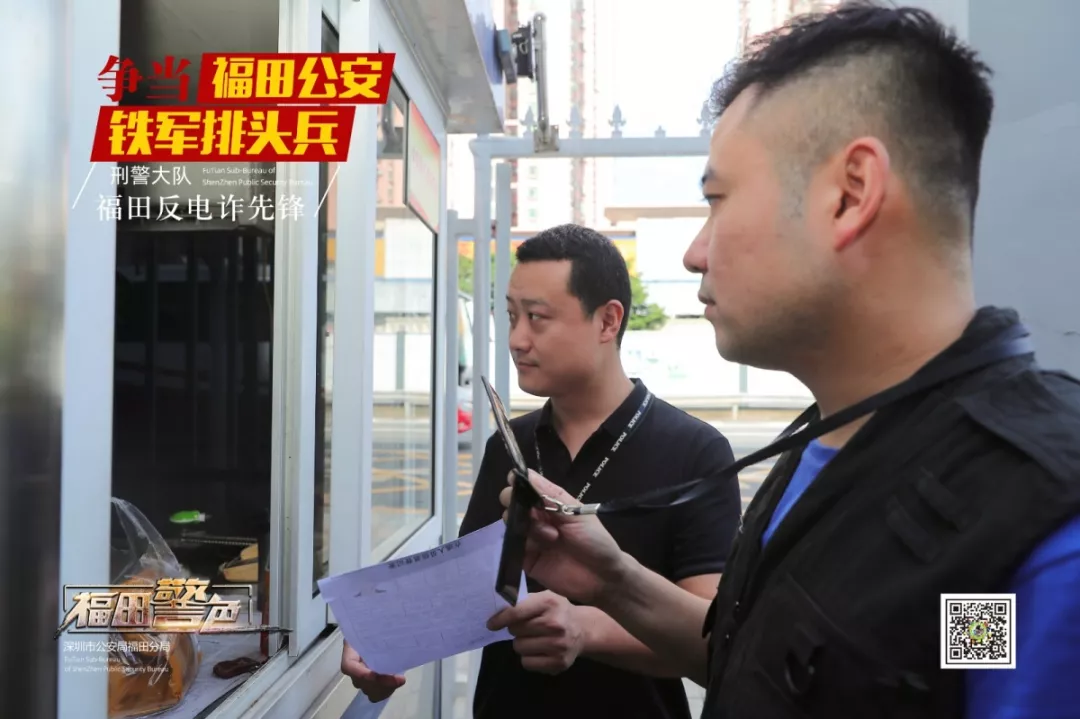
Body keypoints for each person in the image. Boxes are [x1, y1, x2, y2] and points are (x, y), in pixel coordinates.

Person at [496, 4, 1080, 719]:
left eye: (718, 199)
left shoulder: (1026, 530)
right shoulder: (825, 442)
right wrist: (614, 579)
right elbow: (753, 659)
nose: (695, 252)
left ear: (850, 194)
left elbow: (970, 660)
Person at [342, 224, 743, 718]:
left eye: (537, 318)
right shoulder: (509, 445)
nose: (517, 340)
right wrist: (382, 633)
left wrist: (583, 629)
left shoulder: (696, 452)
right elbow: (470, 592)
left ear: (607, 321)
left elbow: (712, 635)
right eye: (511, 316)